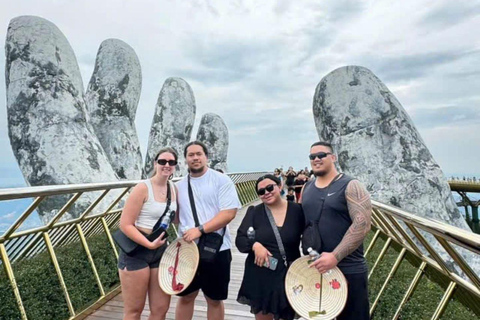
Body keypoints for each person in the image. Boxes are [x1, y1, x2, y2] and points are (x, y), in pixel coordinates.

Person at [300, 141, 372, 320]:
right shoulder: (307, 187)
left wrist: (335, 256)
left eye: (321, 155)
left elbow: (362, 224)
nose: (316, 159)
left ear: (333, 157)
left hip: (348, 269)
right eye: (312, 156)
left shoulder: (351, 185)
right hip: (317, 270)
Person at [176, 141, 241, 320]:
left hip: (217, 248)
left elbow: (229, 213)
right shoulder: (179, 186)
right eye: (191, 155)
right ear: (185, 159)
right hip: (188, 250)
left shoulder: (221, 180)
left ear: (206, 157)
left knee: (214, 299)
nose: (195, 158)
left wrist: (200, 230)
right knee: (185, 296)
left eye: (199, 154)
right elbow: (175, 216)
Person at [118, 147, 178, 320]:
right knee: (134, 310)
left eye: (171, 162)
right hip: (137, 251)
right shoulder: (142, 188)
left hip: (160, 252)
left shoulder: (173, 188)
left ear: (175, 166)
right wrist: (149, 244)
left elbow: (176, 218)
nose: (167, 165)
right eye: (162, 161)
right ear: (155, 163)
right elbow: (125, 224)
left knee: (161, 308)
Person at [236, 174, 304, 320]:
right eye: (261, 191)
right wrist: (255, 245)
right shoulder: (254, 212)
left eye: (269, 188)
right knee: (263, 314)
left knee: (288, 315)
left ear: (279, 186)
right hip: (261, 272)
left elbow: (311, 237)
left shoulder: (298, 210)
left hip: (288, 273)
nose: (266, 193)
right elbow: (240, 239)